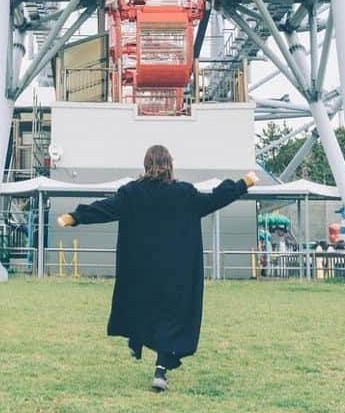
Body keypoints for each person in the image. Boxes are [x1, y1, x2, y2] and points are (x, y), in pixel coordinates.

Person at [57, 145, 257, 392]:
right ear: (170, 165)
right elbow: (214, 199)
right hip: (177, 272)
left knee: (142, 306)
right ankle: (160, 370)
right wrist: (243, 183)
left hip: (142, 270)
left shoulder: (132, 193)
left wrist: (75, 216)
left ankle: (137, 340)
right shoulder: (184, 194)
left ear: (146, 164)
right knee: (172, 318)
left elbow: (106, 208)